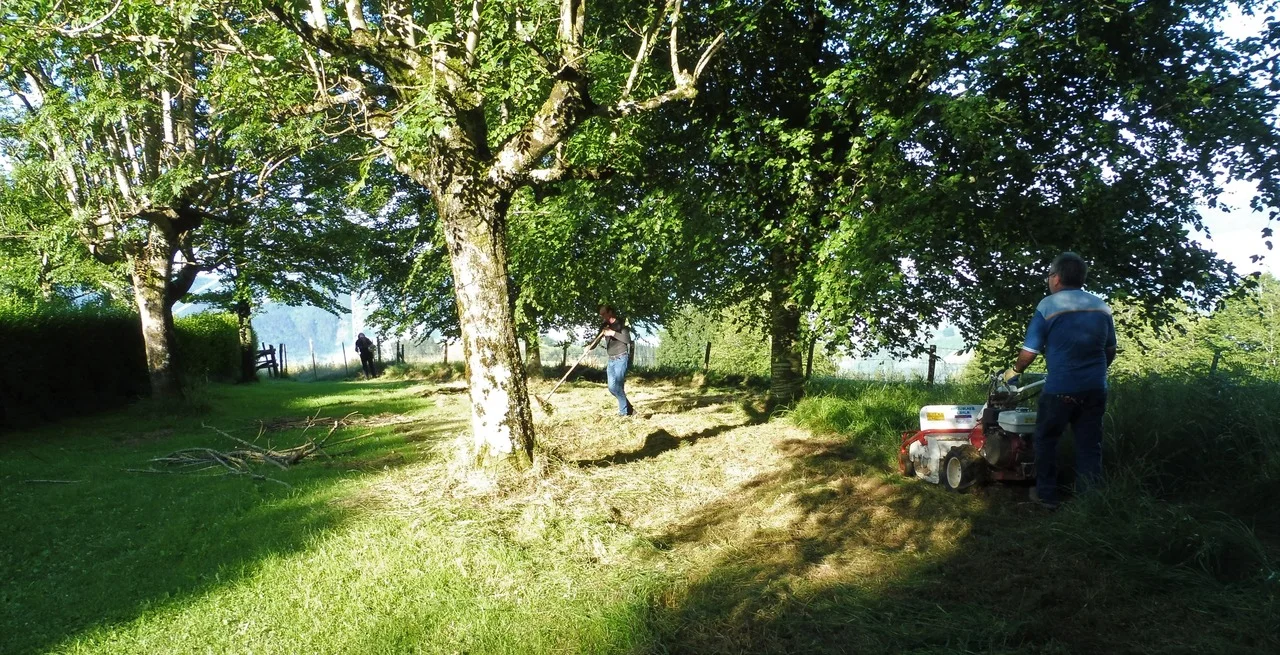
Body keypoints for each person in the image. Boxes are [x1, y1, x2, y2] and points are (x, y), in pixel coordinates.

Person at [1004, 252, 1116, 509]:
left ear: (1056, 278)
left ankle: (1046, 496)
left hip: (1060, 390)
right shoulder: (1101, 306)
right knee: (1090, 444)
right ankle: (1090, 500)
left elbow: (1029, 352)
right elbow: (1110, 350)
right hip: (1095, 388)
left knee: (1046, 439)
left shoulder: (1048, 305)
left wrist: (1015, 371)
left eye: (1049, 275)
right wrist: (1095, 373)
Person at [596, 305, 635, 416]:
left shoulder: (621, 324)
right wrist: (589, 346)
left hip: (621, 358)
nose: (602, 316)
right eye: (601, 314)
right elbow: (596, 340)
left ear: (610, 312)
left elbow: (627, 340)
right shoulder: (604, 326)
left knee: (617, 386)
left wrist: (612, 333)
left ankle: (623, 413)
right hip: (611, 360)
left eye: (604, 314)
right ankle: (629, 409)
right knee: (611, 388)